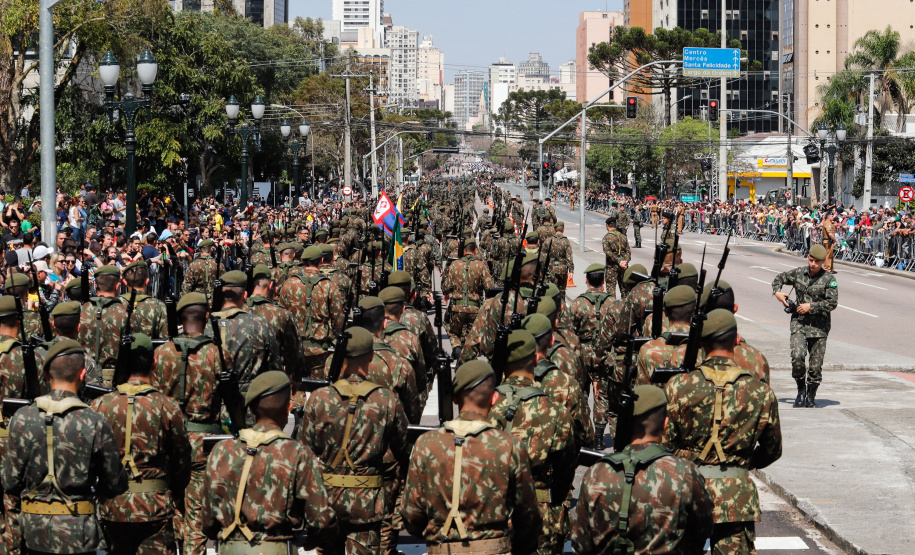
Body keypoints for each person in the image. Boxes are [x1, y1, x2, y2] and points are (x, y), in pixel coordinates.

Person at [664, 310, 782, 555]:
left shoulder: (678, 386)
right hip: (735, 496)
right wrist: (741, 462)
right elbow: (772, 449)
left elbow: (665, 444)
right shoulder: (760, 392)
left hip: (688, 491)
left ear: (702, 343)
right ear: (736, 340)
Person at [401, 360, 542, 555]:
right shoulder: (509, 445)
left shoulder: (425, 444)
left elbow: (411, 515)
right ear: (494, 398)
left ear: (455, 399)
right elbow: (528, 516)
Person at [1, 339, 128, 555]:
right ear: (82, 374)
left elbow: (10, 482)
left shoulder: (21, 418)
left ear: (47, 375)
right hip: (79, 533)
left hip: (34, 534)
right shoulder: (95, 421)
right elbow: (115, 483)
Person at [298, 326, 410, 555]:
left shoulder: (319, 399)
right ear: (371, 357)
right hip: (366, 505)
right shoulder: (386, 399)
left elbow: (304, 453)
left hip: (327, 503)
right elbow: (404, 450)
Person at [201, 371, 338, 552]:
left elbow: (208, 521)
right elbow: (322, 520)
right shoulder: (297, 454)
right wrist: (313, 540)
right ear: (288, 407)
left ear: (251, 409)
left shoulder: (221, 451)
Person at [572, 385, 714, 554]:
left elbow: (581, 544)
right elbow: (702, 530)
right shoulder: (685, 473)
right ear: (665, 424)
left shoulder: (596, 473)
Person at [91, 333, 191, 554]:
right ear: (154, 363)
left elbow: (93, 459)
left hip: (113, 508)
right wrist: (173, 492)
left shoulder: (100, 405)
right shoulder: (167, 406)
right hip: (155, 507)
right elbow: (182, 459)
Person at [489, 329, 577, 554]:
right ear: (536, 360)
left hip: (492, 513)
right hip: (540, 513)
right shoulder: (556, 411)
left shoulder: (488, 404)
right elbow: (566, 469)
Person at [153, 292, 225, 555]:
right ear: (206, 316)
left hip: (170, 441)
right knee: (196, 513)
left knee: (173, 506)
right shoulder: (216, 353)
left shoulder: (161, 353)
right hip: (202, 443)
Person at [771, 244, 838, 407]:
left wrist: (811, 306)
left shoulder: (829, 279)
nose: (813, 264)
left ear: (823, 261)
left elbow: (832, 302)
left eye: (817, 262)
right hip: (799, 323)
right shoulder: (799, 273)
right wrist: (777, 293)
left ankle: (811, 395)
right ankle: (801, 390)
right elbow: (779, 278)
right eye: (811, 260)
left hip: (819, 328)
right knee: (797, 357)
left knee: (815, 366)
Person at [278, 246, 343, 382]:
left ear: (302, 261)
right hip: (319, 349)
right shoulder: (329, 286)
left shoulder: (289, 284)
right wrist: (336, 339)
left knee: (294, 386)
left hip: (294, 348)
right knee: (316, 387)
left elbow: (282, 316)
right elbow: (338, 320)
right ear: (321, 261)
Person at [78, 264, 129, 387]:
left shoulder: (80, 311)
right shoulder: (125, 314)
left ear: (95, 284)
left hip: (83, 380)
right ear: (117, 286)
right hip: (113, 383)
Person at [441, 238, 492, 356]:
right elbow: (489, 287)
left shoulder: (454, 265)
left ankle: (456, 346)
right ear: (475, 250)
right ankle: (469, 354)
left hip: (457, 307)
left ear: (463, 250)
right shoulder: (481, 265)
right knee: (472, 334)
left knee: (452, 330)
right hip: (474, 308)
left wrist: (448, 294)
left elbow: (447, 286)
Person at [602, 214, 630, 300]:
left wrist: (619, 261)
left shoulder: (606, 238)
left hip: (612, 267)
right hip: (623, 267)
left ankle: (613, 307)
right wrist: (625, 261)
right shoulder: (623, 237)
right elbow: (628, 252)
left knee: (611, 291)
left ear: (607, 226)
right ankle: (625, 306)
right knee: (624, 290)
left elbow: (608, 253)